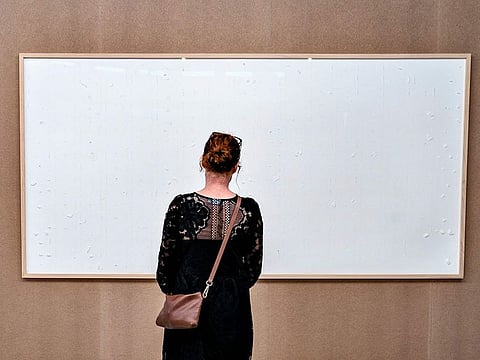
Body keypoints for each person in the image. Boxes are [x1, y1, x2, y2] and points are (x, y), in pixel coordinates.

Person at [156, 132, 263, 360]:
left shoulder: (181, 206)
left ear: (203, 161)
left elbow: (164, 270)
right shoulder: (249, 210)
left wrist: (182, 286)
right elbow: (253, 270)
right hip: (232, 307)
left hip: (187, 307)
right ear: (235, 167)